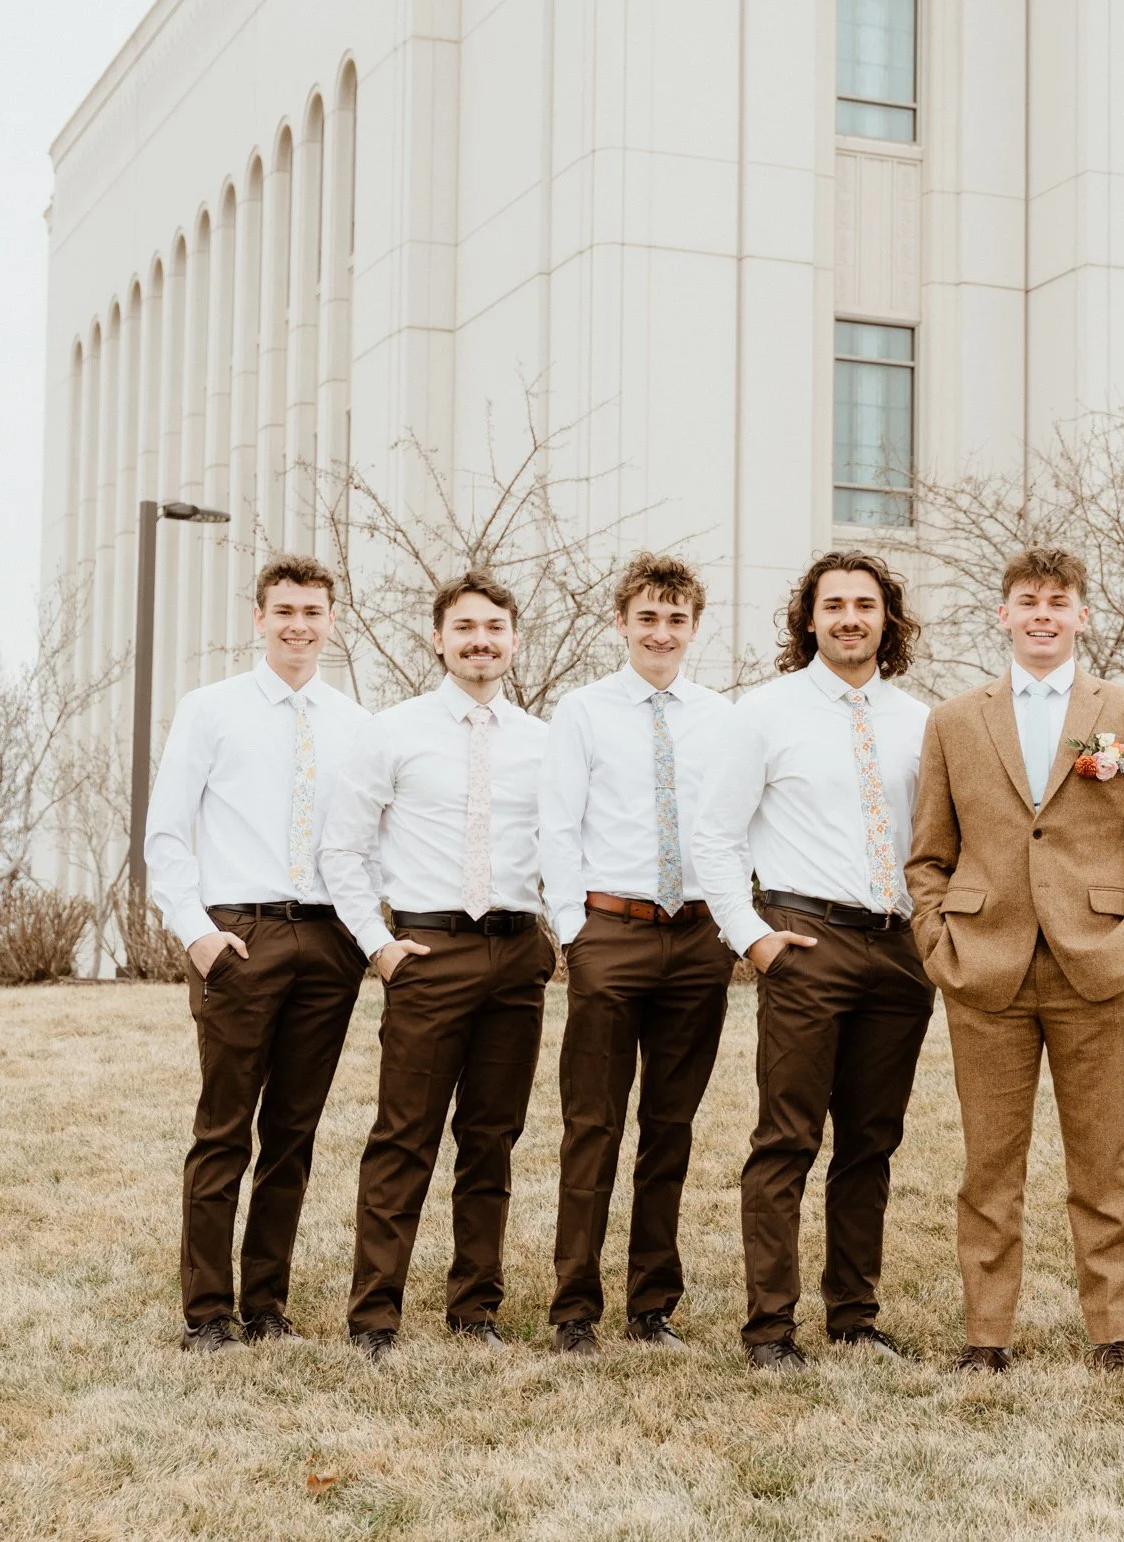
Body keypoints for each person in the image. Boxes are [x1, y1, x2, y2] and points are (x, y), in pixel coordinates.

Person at [906, 546, 1124, 1375]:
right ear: (1003, 613)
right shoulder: (955, 719)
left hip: (1096, 965)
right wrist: (937, 939)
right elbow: (928, 854)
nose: (1042, 614)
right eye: (1027, 600)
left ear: (1081, 615)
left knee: (1103, 1161)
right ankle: (987, 1337)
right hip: (984, 966)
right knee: (989, 1163)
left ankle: (1113, 1336)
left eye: (1058, 602)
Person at [695, 551, 935, 1371]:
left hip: (900, 953)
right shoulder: (762, 714)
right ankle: (769, 1329)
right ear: (808, 618)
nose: (849, 617)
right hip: (806, 941)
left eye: (865, 604)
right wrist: (751, 937)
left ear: (887, 619)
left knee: (871, 1142)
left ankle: (855, 1319)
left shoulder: (921, 722)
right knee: (786, 1140)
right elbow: (715, 836)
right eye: (833, 604)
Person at [319, 572, 553, 1360]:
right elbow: (341, 850)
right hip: (428, 951)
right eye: (465, 627)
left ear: (514, 640)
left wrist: (555, 937)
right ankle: (374, 1318)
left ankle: (474, 1311)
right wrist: (378, 946)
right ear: (439, 639)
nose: (480, 639)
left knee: (492, 1139)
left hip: (518, 954)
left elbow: (569, 846)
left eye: (494, 627)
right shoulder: (392, 731)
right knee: (404, 1138)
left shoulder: (544, 741)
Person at [146, 557, 371, 1352]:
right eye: (284, 610)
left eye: (313, 611)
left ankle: (266, 1305)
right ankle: (207, 1313)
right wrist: (198, 933)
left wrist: (365, 933)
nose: (298, 625)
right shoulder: (210, 710)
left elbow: (366, 837)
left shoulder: (354, 721)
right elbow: (167, 833)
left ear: (332, 620)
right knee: (224, 1130)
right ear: (258, 617)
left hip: (328, 937)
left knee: (294, 1133)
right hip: (239, 934)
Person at [537, 554, 733, 1356]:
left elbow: (734, 825)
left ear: (694, 627)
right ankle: (574, 1306)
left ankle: (652, 1306)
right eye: (646, 617)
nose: (661, 632)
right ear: (621, 623)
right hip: (609, 932)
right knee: (593, 1124)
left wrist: (732, 922)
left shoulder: (722, 717)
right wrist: (572, 931)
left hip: (696, 938)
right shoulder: (581, 712)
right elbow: (556, 825)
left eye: (676, 618)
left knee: (670, 1126)